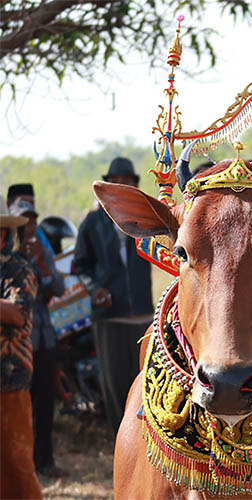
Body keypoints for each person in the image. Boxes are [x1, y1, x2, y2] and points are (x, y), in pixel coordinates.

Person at [73, 157, 153, 435]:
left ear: (134, 186)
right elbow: (80, 264)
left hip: (142, 315)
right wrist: (96, 290)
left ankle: (144, 438)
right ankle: (117, 439)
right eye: (115, 182)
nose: (121, 187)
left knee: (143, 382)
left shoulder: (144, 220)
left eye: (127, 182)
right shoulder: (93, 223)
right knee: (114, 381)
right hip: (110, 318)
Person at [9, 198, 67, 477]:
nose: (29, 226)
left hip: (44, 339)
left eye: (32, 220)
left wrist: (43, 263)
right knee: (18, 406)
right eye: (24, 221)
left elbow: (59, 287)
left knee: (45, 402)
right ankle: (22, 467)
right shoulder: (7, 256)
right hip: (17, 344)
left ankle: (45, 461)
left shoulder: (42, 251)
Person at [0, 195, 43, 499]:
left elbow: (17, 313)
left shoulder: (19, 270)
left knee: (15, 462)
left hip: (9, 379)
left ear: (3, 233)